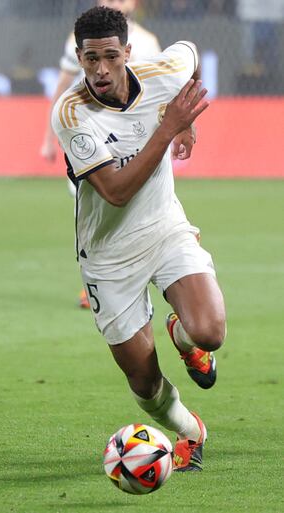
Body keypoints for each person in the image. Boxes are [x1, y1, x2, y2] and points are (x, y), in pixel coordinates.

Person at [50, 6, 225, 472]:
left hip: (165, 228)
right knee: (144, 383)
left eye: (110, 56)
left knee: (211, 331)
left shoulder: (161, 73)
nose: (101, 69)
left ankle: (186, 340)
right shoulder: (71, 114)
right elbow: (117, 191)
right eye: (90, 59)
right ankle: (190, 429)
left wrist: (185, 121)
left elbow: (191, 55)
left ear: (127, 52)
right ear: (79, 57)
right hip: (108, 257)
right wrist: (169, 128)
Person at [39, 0, 161, 309]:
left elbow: (162, 90)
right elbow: (64, 85)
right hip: (95, 139)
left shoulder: (148, 43)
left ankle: (174, 245)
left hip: (140, 142)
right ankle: (95, 281)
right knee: (98, 210)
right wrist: (49, 138)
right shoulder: (79, 40)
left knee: (147, 201)